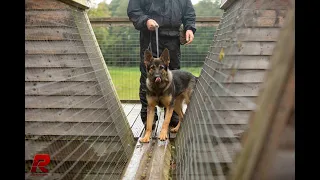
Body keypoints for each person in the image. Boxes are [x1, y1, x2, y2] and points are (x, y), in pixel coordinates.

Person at [127, 0, 196, 129]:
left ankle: (173, 117)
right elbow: (133, 10)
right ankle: (149, 118)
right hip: (150, 36)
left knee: (173, 77)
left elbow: (188, 11)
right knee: (147, 77)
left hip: (173, 39)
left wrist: (190, 28)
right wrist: (145, 20)